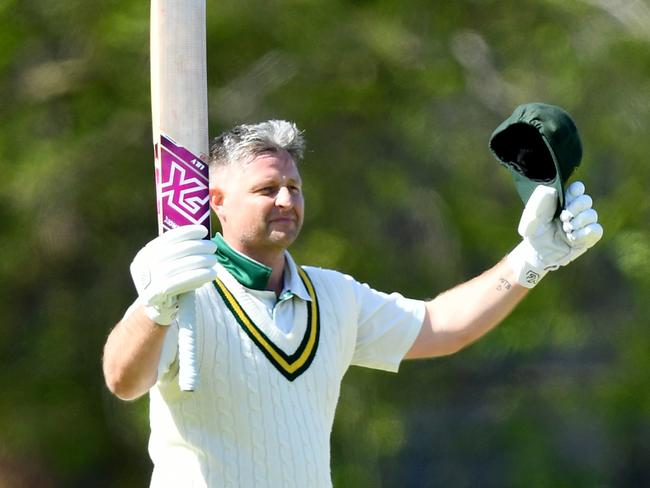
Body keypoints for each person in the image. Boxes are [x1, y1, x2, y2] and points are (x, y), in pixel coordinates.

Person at [102, 120, 603, 487]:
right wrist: (155, 307)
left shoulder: (333, 296)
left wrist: (532, 259)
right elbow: (123, 381)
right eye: (266, 189)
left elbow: (442, 326)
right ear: (215, 201)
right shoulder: (180, 294)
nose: (286, 200)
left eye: (293, 187)